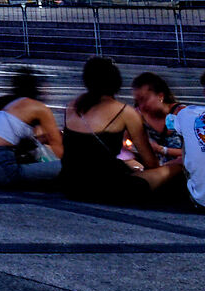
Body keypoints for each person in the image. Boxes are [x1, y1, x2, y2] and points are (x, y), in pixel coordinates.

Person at [60, 57, 184, 205]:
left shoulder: (71, 106)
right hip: (110, 188)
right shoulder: (125, 112)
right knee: (176, 168)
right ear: (116, 82)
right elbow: (151, 163)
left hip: (70, 185)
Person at [0, 67, 62, 189]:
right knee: (74, 168)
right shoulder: (39, 108)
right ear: (37, 89)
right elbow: (58, 150)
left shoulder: (3, 104)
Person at [130, 73, 204, 211]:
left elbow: (192, 151)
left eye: (145, 99)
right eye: (138, 100)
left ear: (160, 96)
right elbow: (125, 144)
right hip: (152, 165)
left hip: (178, 169)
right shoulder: (138, 115)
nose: (142, 105)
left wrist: (161, 149)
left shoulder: (182, 114)